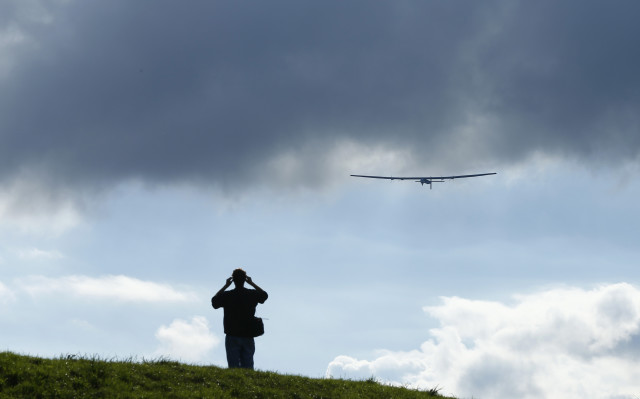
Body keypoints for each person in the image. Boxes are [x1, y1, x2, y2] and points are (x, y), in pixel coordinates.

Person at [211, 268, 268, 369]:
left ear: (233, 280)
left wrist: (225, 286)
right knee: (248, 366)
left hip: (232, 334)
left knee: (233, 366)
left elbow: (214, 302)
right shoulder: (251, 294)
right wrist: (251, 283)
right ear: (244, 279)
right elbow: (264, 295)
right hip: (248, 334)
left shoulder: (228, 295)